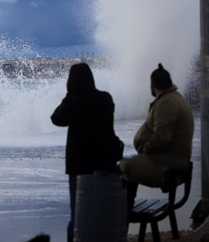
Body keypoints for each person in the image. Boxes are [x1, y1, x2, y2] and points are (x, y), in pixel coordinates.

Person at [51, 62, 123, 242]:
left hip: (80, 164)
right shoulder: (105, 98)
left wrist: (70, 95)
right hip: (106, 161)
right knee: (102, 208)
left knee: (79, 211)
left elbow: (57, 119)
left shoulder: (73, 100)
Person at [118, 63, 194, 209]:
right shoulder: (174, 98)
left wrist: (146, 150)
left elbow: (162, 137)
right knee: (130, 165)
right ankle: (126, 208)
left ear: (152, 84)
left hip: (166, 163)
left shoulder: (168, 102)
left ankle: (123, 212)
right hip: (171, 159)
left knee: (123, 167)